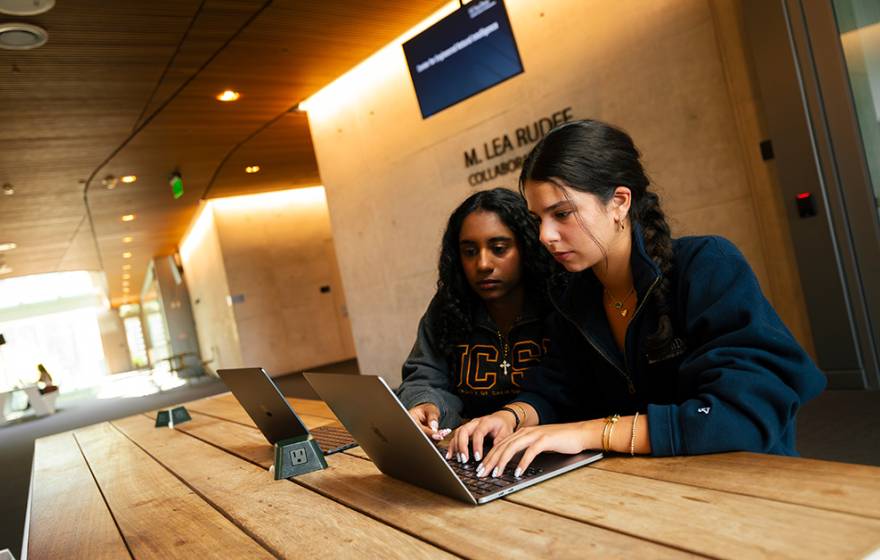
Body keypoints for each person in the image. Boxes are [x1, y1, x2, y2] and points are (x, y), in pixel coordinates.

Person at [447, 119, 826, 478]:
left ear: (620, 202)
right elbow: (556, 389)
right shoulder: (574, 295)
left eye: (561, 214)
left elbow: (742, 414)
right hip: (650, 485)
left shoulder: (708, 265)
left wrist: (587, 433)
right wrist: (509, 417)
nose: (545, 235)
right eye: (537, 220)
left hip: (742, 481)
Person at [397, 187, 557, 450]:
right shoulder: (447, 307)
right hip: (468, 450)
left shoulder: (556, 304)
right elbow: (424, 377)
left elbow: (567, 391)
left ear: (526, 247)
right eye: (470, 252)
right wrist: (426, 404)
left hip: (547, 449)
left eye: (498, 248)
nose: (483, 264)